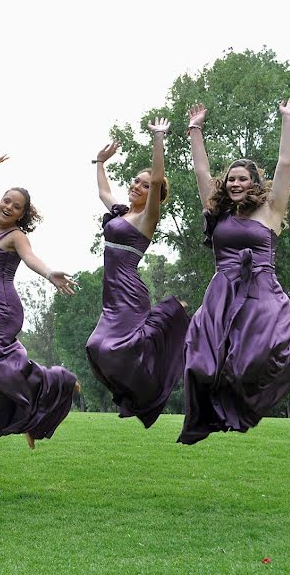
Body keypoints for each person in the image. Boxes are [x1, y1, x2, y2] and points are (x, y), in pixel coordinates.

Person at [179, 99, 290, 444]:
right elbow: (200, 172)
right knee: (200, 359)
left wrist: (288, 120)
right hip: (222, 293)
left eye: (242, 179)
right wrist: (195, 129)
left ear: (254, 181)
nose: (235, 183)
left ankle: (239, 405)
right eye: (230, 179)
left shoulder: (272, 210)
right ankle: (212, 411)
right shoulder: (218, 212)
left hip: (260, 292)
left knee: (256, 357)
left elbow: (285, 162)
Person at [0, 155, 79, 449]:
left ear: (21, 215)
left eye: (16, 207)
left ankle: (55, 381)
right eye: (6, 201)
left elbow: (30, 259)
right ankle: (31, 415)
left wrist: (49, 272)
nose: (7, 207)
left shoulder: (15, 236)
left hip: (4, 309)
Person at [85, 119, 190, 427]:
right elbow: (104, 191)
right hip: (112, 292)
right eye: (135, 181)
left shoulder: (147, 218)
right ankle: (131, 395)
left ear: (153, 194)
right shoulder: (121, 212)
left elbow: (158, 180)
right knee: (95, 348)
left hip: (129, 292)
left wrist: (159, 139)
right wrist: (100, 163)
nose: (137, 185)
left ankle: (165, 331)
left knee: (108, 347)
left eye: (145, 185)